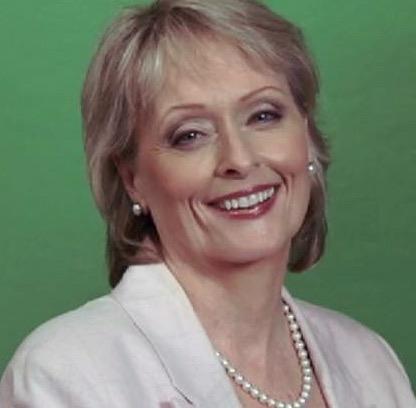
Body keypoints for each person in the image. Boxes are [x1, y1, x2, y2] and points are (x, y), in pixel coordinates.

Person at [0, 0, 414, 407]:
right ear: (133, 180)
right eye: (190, 135)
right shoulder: (65, 375)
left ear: (305, 136)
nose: (239, 159)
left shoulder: (370, 362)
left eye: (264, 116)